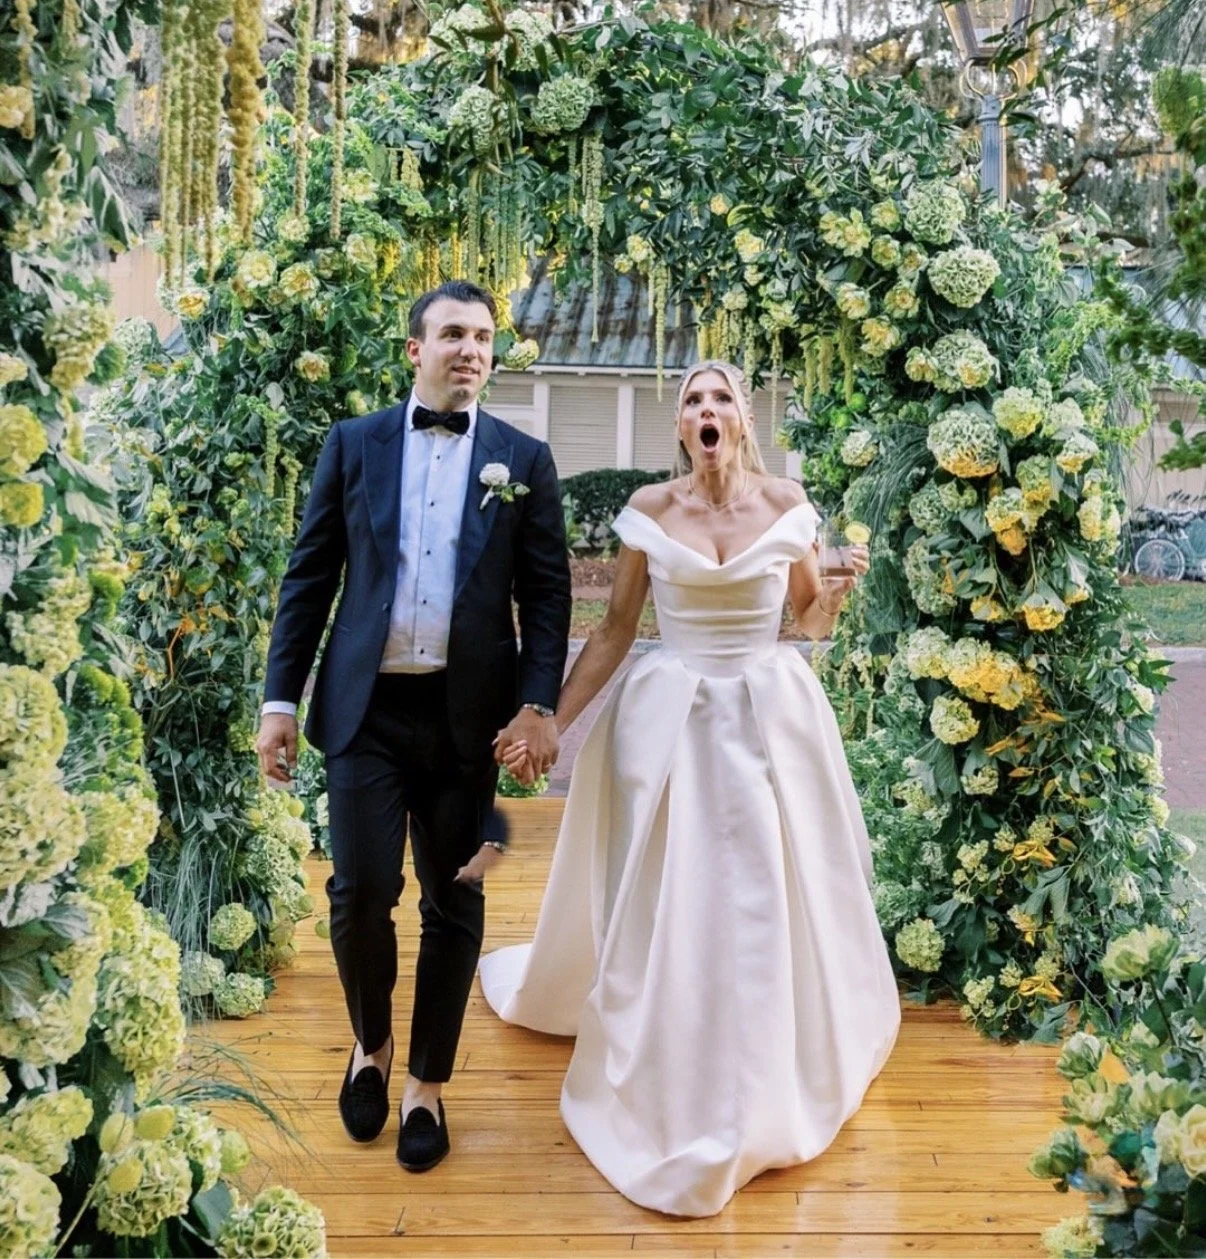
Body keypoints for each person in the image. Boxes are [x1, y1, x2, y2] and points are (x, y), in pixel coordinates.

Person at [481, 359, 901, 1217]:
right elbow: (614, 632)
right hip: (668, 718)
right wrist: (548, 720)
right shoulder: (648, 513)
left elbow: (807, 619)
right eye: (691, 401)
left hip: (765, 712)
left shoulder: (788, 504)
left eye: (720, 399)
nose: (705, 410)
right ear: (682, 427)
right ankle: (669, 1034)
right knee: (678, 889)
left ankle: (767, 1052)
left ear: (744, 419)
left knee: (763, 891)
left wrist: (839, 590)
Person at [256, 280, 571, 1173]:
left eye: (483, 338)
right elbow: (308, 577)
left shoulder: (525, 459)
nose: (471, 350)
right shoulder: (353, 445)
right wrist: (280, 699)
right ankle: (369, 1045)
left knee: (455, 900)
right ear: (415, 350)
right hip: (366, 712)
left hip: (468, 722)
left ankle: (427, 1081)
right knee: (358, 894)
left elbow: (546, 595)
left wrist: (538, 702)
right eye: (453, 335)